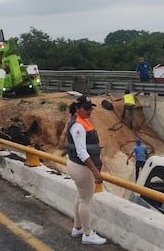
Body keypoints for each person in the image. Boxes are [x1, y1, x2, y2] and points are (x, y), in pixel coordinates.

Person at [66, 95, 106, 245]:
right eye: (86, 108)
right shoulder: (78, 126)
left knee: (80, 197)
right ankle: (88, 234)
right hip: (81, 167)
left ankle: (77, 228)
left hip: (76, 165)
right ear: (77, 109)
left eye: (91, 108)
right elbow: (82, 152)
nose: (89, 111)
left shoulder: (81, 122)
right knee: (86, 201)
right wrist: (95, 171)